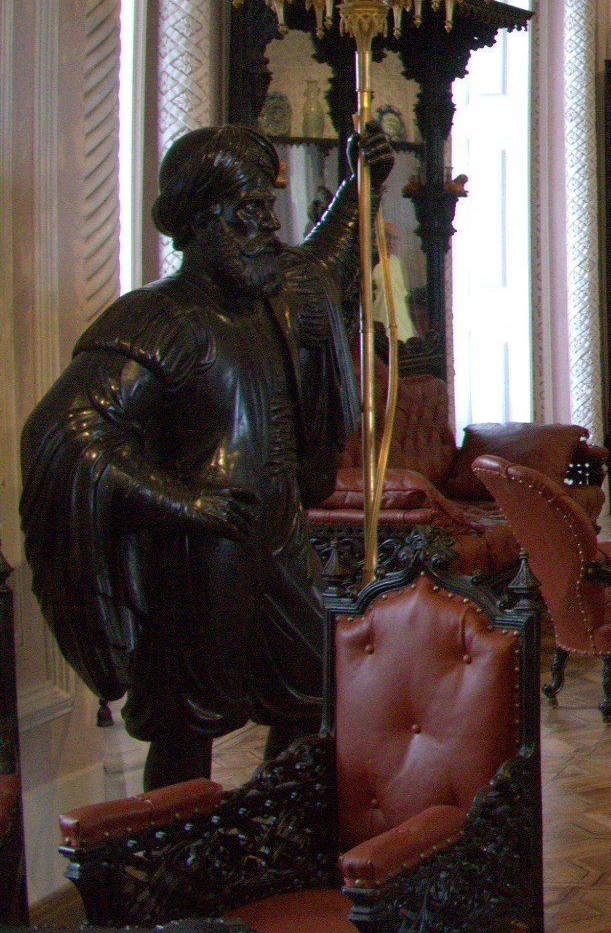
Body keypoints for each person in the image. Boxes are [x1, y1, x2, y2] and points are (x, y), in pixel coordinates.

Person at [21, 124, 392, 789]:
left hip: (278, 528)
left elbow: (328, 257)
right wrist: (184, 501)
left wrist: (361, 185)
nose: (268, 225)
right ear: (200, 221)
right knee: (186, 719)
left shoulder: (277, 295)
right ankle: (178, 843)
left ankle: (277, 824)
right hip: (201, 548)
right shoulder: (160, 317)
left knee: (315, 688)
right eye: (249, 211)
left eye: (267, 207)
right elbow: (71, 429)